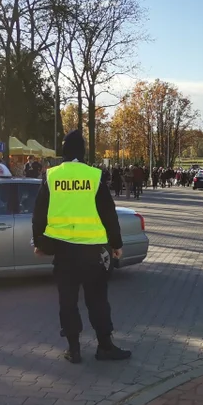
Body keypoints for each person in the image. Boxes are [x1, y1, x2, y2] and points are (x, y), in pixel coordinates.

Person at [32, 129, 131, 364]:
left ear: (64, 151)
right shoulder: (94, 176)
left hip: (64, 252)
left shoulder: (51, 176)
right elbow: (109, 214)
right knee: (97, 299)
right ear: (83, 150)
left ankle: (74, 349)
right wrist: (116, 245)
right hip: (94, 251)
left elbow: (39, 215)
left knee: (67, 300)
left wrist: (40, 244)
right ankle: (105, 347)